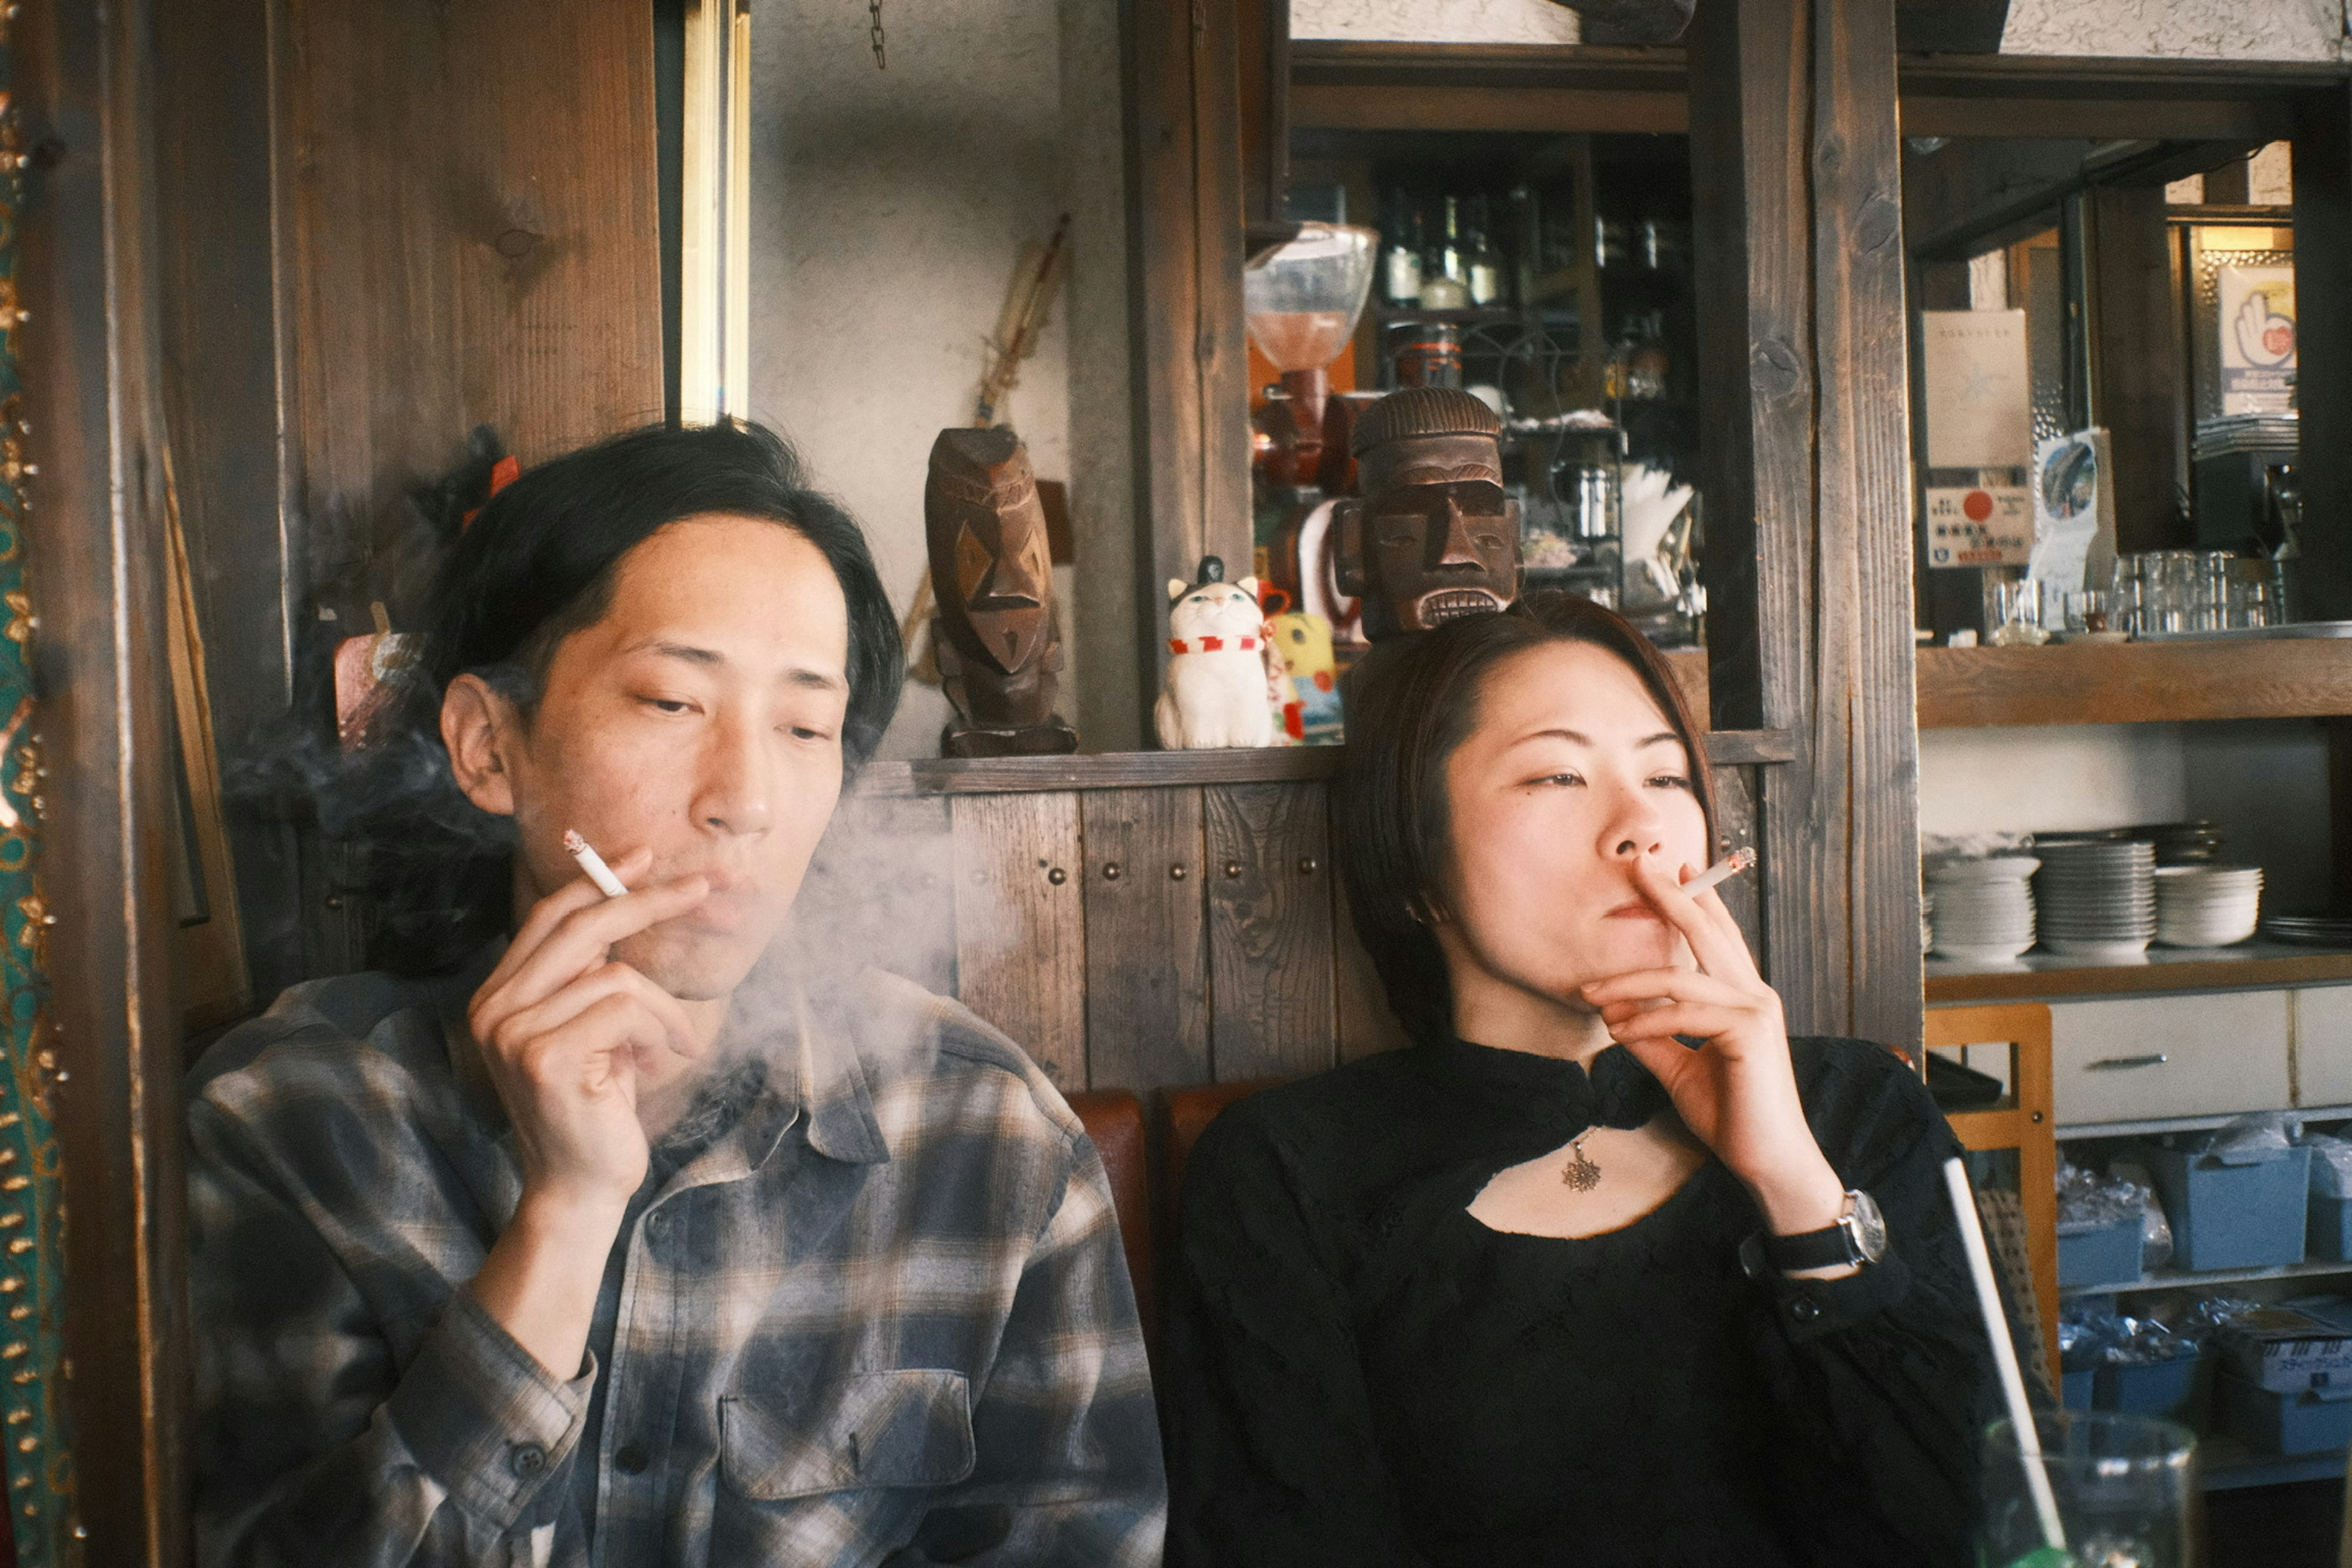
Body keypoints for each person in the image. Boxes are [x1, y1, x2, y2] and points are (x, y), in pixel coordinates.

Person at [187, 421, 1164, 1567]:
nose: (744, 800)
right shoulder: (298, 1123)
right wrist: (563, 1217)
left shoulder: (988, 1138)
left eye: (805, 727)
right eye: (672, 703)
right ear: (489, 747)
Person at [1164, 592, 1992, 1567]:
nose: (1642, 829)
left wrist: (1795, 1188)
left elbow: (1996, 1523)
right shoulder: (1288, 1173)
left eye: (1668, 776)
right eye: (1558, 775)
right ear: (1418, 861)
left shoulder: (1858, 1108)